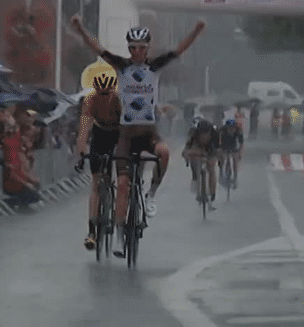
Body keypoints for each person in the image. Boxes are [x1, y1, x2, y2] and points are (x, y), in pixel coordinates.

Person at [71, 14, 206, 258]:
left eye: (141, 48)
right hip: (126, 135)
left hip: (148, 132)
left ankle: (151, 193)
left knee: (164, 153)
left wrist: (196, 31)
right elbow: (97, 47)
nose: (136, 52)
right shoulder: (121, 66)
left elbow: (178, 50)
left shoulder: (154, 66)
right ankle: (121, 238)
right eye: (132, 47)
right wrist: (80, 28)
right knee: (122, 184)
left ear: (147, 49)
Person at [75, 71, 121, 251]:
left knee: (119, 168)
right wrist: (80, 153)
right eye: (100, 93)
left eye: (106, 93)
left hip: (118, 134)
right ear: (95, 90)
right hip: (100, 135)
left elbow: (127, 128)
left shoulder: (119, 100)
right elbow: (84, 129)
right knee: (95, 183)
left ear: (112, 90)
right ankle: (92, 230)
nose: (103, 97)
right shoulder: (90, 100)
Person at [182, 118, 218, 208]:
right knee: (194, 160)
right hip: (198, 149)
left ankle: (212, 193)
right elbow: (186, 149)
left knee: (211, 169)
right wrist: (187, 157)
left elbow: (218, 150)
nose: (204, 136)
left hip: (210, 149)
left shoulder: (214, 135)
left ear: (210, 132)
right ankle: (195, 177)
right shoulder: (194, 135)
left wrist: (213, 158)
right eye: (202, 133)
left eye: (207, 133)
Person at [218, 119, 244, 189]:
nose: (231, 130)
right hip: (223, 146)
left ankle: (235, 177)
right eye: (229, 129)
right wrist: (219, 151)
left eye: (232, 129)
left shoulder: (238, 131)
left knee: (235, 159)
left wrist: (240, 153)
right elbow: (218, 141)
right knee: (222, 159)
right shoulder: (221, 130)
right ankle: (220, 175)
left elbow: (241, 144)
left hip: (233, 147)